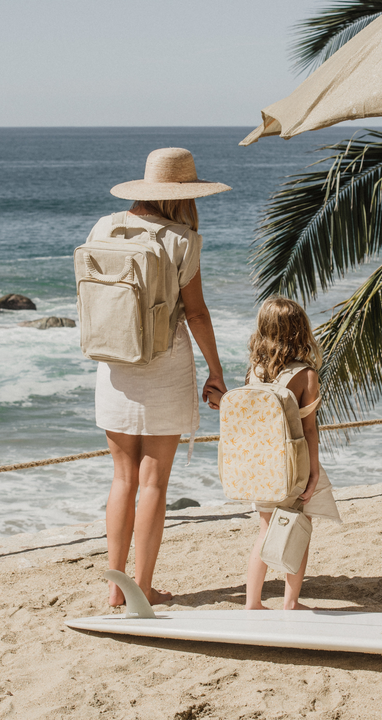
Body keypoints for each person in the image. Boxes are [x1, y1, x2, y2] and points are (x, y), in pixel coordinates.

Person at [91, 147, 230, 607]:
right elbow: (197, 313)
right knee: (153, 481)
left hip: (114, 363)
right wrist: (215, 369)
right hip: (163, 362)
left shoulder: (105, 227)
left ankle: (115, 589)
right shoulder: (181, 241)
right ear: (184, 194)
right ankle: (142, 589)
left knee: (122, 478)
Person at [206, 296, 341, 609]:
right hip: (292, 466)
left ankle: (253, 601)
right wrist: (315, 471)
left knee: (266, 529)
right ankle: (290, 601)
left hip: (259, 465)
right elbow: (309, 430)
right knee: (297, 527)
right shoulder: (306, 375)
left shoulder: (255, 371)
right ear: (300, 331)